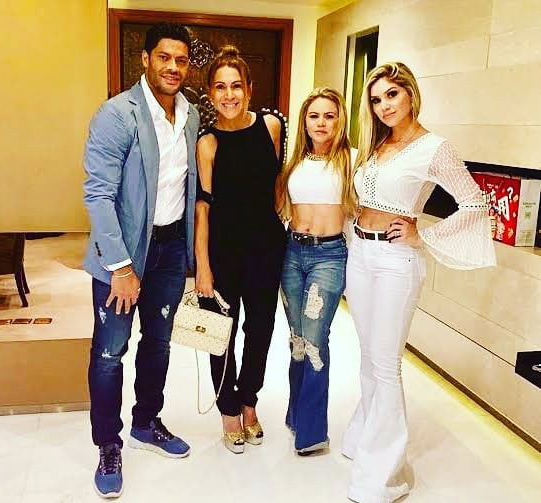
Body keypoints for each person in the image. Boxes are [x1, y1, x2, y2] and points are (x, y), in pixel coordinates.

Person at [342, 62, 496, 503]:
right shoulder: (377, 144)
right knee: (368, 357)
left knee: (386, 364)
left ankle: (385, 476)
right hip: (361, 254)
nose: (384, 106)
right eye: (376, 99)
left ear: (410, 93)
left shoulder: (434, 148)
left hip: (396, 262)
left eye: (392, 95)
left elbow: (475, 204)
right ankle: (366, 439)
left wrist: (422, 234)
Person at [82, 22, 199, 498]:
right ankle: (108, 444)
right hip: (124, 256)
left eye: (181, 60)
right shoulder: (117, 114)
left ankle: (146, 422)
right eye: (164, 57)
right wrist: (122, 267)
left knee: (159, 343)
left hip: (171, 251)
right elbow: (98, 194)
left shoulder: (190, 114)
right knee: (110, 352)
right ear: (145, 59)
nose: (173, 67)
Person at [194, 45, 287, 454]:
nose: (229, 94)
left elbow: (277, 183)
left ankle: (249, 401)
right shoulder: (208, 142)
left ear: (249, 89)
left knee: (261, 329)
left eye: (236, 86)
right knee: (220, 334)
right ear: (210, 93)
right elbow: (203, 208)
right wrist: (202, 266)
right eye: (220, 87)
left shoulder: (271, 126)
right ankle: (228, 410)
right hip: (223, 252)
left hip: (266, 249)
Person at [275, 88, 357, 455]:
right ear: (304, 122)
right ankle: (296, 414)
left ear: (339, 121)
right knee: (297, 340)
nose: (321, 122)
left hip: (329, 256)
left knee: (315, 340)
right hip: (292, 254)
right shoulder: (293, 163)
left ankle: (311, 432)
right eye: (314, 116)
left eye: (329, 116)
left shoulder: (352, 160)